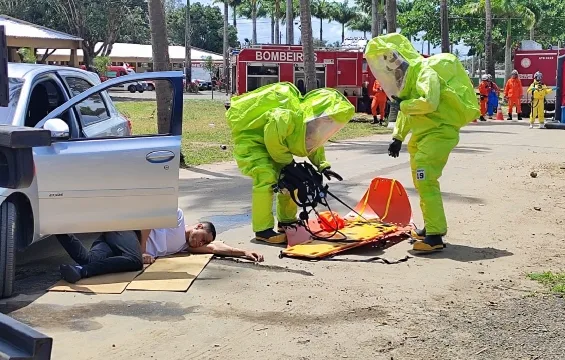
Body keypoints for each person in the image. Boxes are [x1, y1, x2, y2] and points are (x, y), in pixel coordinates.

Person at [364, 33, 480, 253]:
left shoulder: (425, 73)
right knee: (421, 182)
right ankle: (432, 227)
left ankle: (435, 237)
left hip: (438, 133)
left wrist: (404, 105)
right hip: (423, 135)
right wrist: (397, 137)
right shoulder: (408, 79)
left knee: (426, 179)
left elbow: (428, 102)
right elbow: (407, 110)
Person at [226, 83, 355, 244]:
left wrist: (322, 165)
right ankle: (262, 230)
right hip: (252, 141)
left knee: (289, 181)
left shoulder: (310, 122)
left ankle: (286, 221)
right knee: (266, 177)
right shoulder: (288, 116)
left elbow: (313, 143)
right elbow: (272, 138)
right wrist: (289, 164)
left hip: (277, 148)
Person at [57, 208, 264, 283]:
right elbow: (149, 219)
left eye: (203, 243)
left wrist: (244, 252)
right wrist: (142, 250)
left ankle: (57, 229)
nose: (201, 243)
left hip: (115, 243)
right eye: (203, 237)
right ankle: (83, 272)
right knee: (134, 261)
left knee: (89, 259)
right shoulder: (178, 217)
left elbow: (215, 248)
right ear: (199, 225)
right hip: (125, 231)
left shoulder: (183, 247)